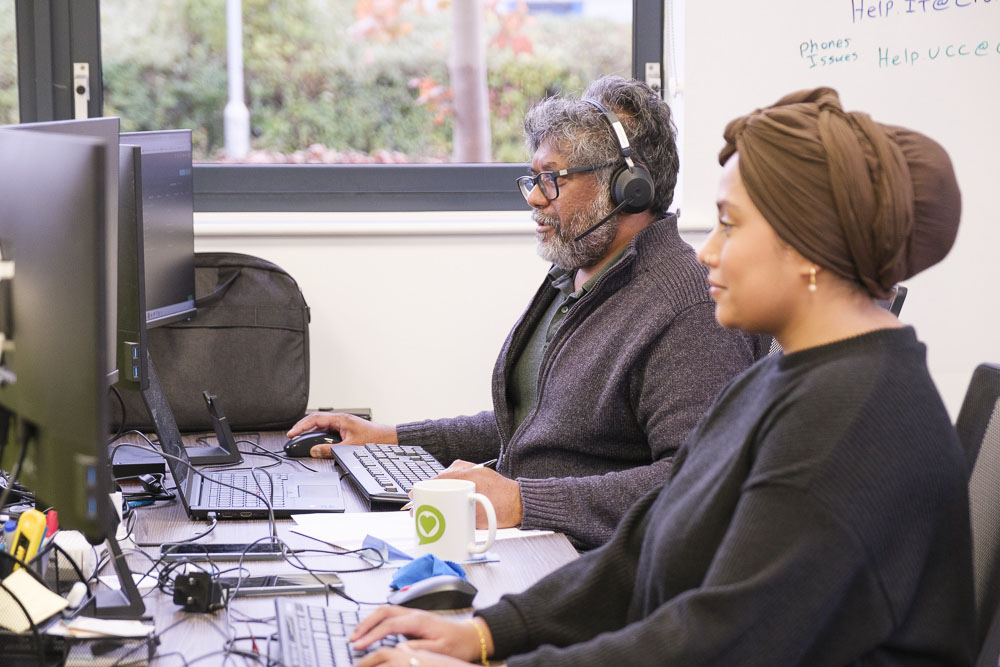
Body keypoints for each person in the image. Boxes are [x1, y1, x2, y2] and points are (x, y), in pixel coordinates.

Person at [345, 87, 976, 666]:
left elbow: (720, 639)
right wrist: (490, 632)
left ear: (807, 246)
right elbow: (645, 543)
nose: (706, 250)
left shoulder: (849, 422)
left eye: (730, 224)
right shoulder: (791, 376)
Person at [288, 76, 762, 549]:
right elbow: (533, 419)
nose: (535, 196)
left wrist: (520, 501)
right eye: (534, 179)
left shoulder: (686, 309)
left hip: (584, 565)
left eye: (552, 178)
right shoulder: (573, 276)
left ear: (628, 188)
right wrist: (390, 437)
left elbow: (695, 483)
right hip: (522, 542)